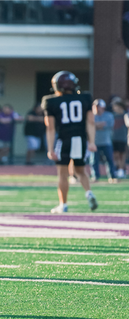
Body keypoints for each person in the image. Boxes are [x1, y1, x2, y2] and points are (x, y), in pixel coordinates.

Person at [42, 70, 97, 213]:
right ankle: (89, 193)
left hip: (64, 139)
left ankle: (63, 205)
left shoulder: (51, 101)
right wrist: (92, 142)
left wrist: (50, 148)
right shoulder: (85, 98)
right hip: (80, 139)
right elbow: (90, 122)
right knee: (81, 171)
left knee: (62, 174)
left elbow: (50, 128)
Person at [90, 99, 117, 183]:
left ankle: (112, 176)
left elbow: (108, 124)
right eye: (95, 106)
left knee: (109, 160)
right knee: (94, 161)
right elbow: (90, 126)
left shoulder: (108, 115)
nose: (97, 108)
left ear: (103, 107)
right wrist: (99, 124)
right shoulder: (91, 116)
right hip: (94, 142)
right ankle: (95, 176)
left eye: (99, 106)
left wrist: (95, 125)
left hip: (106, 141)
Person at [111, 100, 127, 178]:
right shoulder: (113, 115)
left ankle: (121, 170)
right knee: (116, 155)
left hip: (122, 138)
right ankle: (118, 169)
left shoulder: (125, 115)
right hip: (114, 137)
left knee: (122, 155)